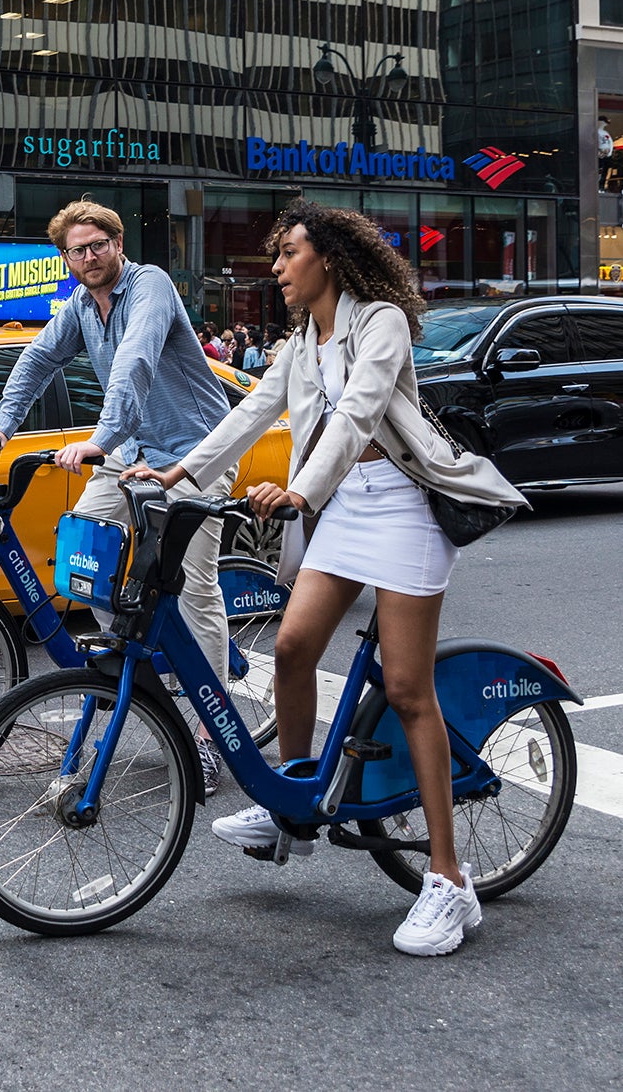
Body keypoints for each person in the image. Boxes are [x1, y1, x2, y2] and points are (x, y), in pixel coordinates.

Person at [123, 198, 525, 956]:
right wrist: (178, 470)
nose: (275, 267)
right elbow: (250, 414)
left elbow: (359, 415)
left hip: (403, 507)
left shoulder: (380, 324)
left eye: (288, 254)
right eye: (276, 256)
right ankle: (294, 807)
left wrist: (301, 490)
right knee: (294, 647)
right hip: (344, 510)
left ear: (328, 261)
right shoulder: (301, 340)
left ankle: (449, 882)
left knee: (407, 691)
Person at [0, 198, 239, 795]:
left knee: (194, 587)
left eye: (97, 246)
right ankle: (142, 670)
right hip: (132, 451)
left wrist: (100, 440)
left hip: (196, 452)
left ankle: (207, 732)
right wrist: (3, 426)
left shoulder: (152, 286)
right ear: (66, 258)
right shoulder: (80, 306)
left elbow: (136, 360)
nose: (87, 257)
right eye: (75, 251)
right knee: (84, 555)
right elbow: (39, 358)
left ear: (118, 244)